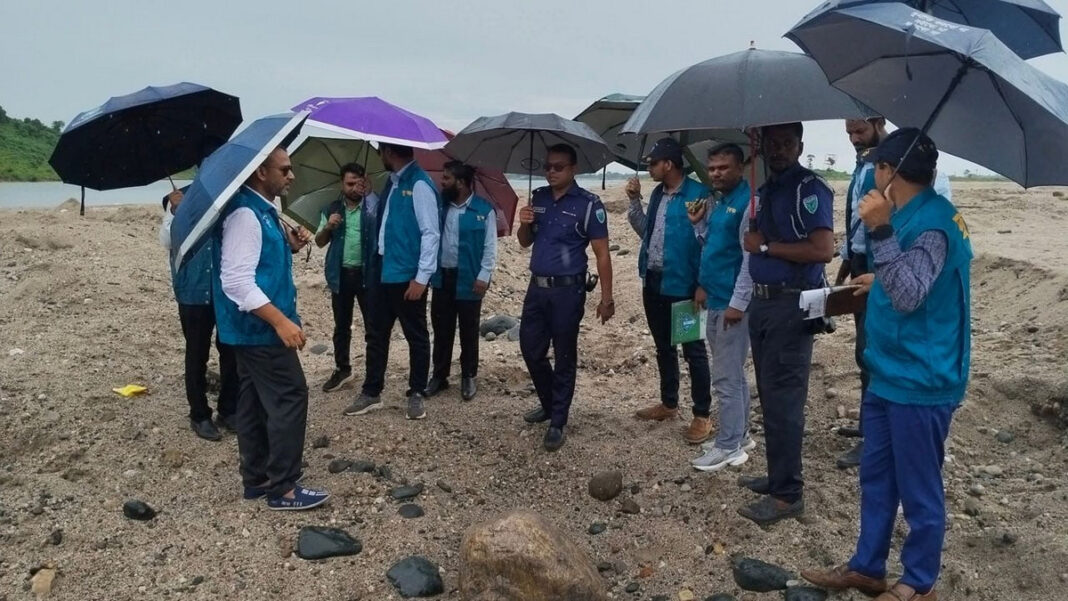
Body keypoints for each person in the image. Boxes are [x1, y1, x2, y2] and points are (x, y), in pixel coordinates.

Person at [801, 128, 971, 601]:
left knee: (919, 487)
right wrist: (878, 278)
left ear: (887, 172)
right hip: (889, 371)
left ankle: (919, 582)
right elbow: (918, 280)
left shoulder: (933, 221)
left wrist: (879, 230)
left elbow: (911, 293)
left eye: (874, 168)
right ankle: (868, 567)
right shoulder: (911, 214)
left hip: (922, 378)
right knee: (876, 476)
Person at [213, 146, 328, 510]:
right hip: (259, 330)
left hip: (248, 330)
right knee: (290, 395)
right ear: (261, 173)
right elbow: (235, 281)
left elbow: (258, 262)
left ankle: (258, 478)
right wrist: (280, 321)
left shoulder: (263, 211)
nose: (291, 175)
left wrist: (288, 245)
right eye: (284, 169)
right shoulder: (246, 215)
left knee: (251, 401)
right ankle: (283, 487)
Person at [736, 122, 835, 525]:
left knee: (785, 400)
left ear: (800, 145)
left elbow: (823, 249)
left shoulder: (809, 189)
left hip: (791, 305)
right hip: (763, 304)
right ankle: (777, 477)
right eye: (772, 144)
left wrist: (765, 245)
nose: (778, 150)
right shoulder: (766, 190)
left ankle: (788, 494)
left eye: (786, 143)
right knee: (769, 396)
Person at [517, 143, 614, 451]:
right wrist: (524, 224)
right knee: (530, 349)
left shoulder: (588, 205)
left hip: (567, 292)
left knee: (564, 355)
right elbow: (524, 242)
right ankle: (549, 403)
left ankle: (558, 420)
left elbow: (602, 254)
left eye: (558, 167)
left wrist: (607, 298)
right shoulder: (539, 198)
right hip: (537, 288)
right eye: (547, 166)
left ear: (573, 169)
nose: (551, 172)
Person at [625, 138, 714, 444]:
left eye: (653, 163)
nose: (649, 168)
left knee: (692, 349)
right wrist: (634, 201)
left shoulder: (697, 195)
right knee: (663, 346)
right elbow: (646, 232)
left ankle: (702, 414)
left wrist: (703, 283)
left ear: (669, 164)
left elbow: (708, 242)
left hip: (683, 285)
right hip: (654, 281)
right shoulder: (657, 194)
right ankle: (669, 402)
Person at [344, 142, 440, 421]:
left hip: (407, 274)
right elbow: (386, 218)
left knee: (416, 335)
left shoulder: (419, 184)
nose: (379, 158)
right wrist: (370, 196)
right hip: (382, 269)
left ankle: (416, 392)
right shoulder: (392, 182)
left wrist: (422, 277)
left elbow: (431, 233)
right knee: (376, 333)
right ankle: (371, 391)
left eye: (380, 152)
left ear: (388, 152)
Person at [687, 143, 756, 471]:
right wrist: (698, 225)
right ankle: (740, 434)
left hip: (731, 303)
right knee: (733, 374)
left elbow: (749, 259)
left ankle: (728, 446)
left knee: (726, 378)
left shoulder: (748, 203)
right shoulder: (720, 202)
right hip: (714, 297)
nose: (715, 173)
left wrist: (738, 303)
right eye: (712, 168)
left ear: (740, 168)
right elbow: (714, 246)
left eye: (723, 168)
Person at [160, 187, 238, 441]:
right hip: (193, 290)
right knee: (196, 352)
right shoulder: (181, 198)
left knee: (231, 350)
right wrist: (175, 211)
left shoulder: (228, 193)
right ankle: (199, 414)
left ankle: (229, 409)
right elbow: (166, 241)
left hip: (224, 290)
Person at [833, 117, 888, 469]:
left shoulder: (890, 165)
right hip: (859, 263)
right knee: (863, 351)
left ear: (878, 122)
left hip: (879, 268)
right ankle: (869, 425)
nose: (854, 138)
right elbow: (856, 221)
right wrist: (845, 262)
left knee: (872, 353)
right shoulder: (863, 163)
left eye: (860, 131)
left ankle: (875, 439)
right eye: (849, 133)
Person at [424, 161, 497, 401]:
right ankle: (439, 376)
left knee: (469, 330)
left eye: (447, 178)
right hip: (442, 277)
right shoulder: (440, 207)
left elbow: (490, 247)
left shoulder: (484, 210)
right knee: (441, 329)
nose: (442, 182)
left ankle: (468, 376)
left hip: (470, 278)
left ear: (462, 183)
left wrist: (484, 276)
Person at [313, 162, 378, 393]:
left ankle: (374, 373)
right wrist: (328, 227)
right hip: (340, 275)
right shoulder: (332, 209)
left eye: (358, 183)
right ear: (341, 183)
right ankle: (342, 369)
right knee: (341, 326)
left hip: (367, 275)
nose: (354, 188)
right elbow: (319, 242)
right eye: (349, 183)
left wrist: (371, 196)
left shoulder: (373, 207)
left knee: (373, 327)